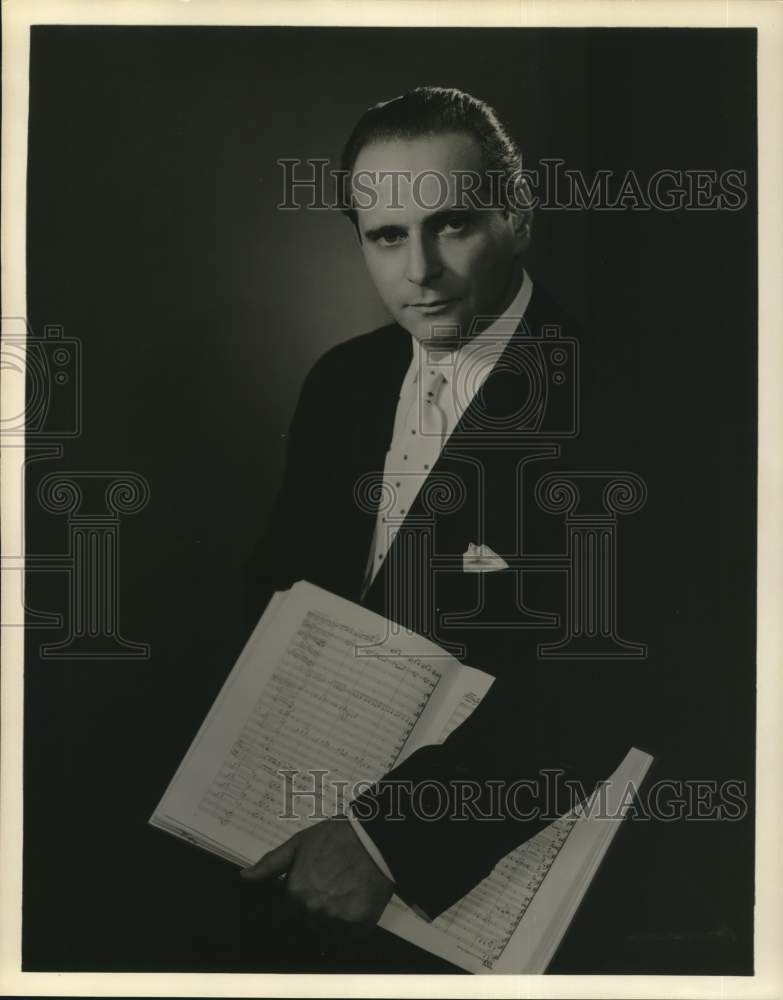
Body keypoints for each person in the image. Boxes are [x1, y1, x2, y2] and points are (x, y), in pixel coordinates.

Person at [240, 87, 650, 928]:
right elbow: (279, 596)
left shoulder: (627, 404)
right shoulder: (340, 383)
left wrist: (387, 838)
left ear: (518, 218)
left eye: (451, 225)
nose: (418, 271)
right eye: (387, 236)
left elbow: (604, 684)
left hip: (487, 882)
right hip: (292, 841)